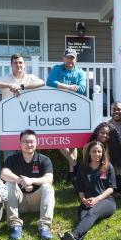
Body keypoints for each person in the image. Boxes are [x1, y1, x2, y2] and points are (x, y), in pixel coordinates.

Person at [59, 141, 116, 240]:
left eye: (99, 151)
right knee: (83, 219)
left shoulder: (108, 167)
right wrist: (83, 199)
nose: (97, 154)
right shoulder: (82, 168)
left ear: (103, 153)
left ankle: (74, 236)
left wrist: (97, 199)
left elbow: (111, 188)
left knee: (91, 213)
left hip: (106, 201)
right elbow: (80, 189)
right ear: (89, 153)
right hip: (87, 202)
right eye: (94, 151)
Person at [1, 129, 55, 240]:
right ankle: (14, 225)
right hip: (18, 203)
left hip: (37, 202)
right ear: (20, 144)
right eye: (25, 141)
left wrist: (31, 180)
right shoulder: (12, 159)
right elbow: (4, 174)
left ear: (36, 143)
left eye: (32, 141)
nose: (29, 144)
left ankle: (44, 226)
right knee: (9, 184)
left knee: (48, 187)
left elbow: (49, 179)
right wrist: (21, 181)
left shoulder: (44, 159)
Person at [46, 48, 86, 180]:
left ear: (76, 59)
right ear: (63, 58)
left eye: (72, 57)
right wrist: (69, 87)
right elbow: (50, 83)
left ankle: (72, 172)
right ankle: (75, 164)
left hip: (74, 108)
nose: (70, 60)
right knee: (57, 139)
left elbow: (81, 89)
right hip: (57, 108)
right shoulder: (57, 68)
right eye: (68, 57)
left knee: (73, 142)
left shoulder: (80, 72)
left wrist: (62, 86)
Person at [88, 122, 121, 193]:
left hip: (105, 176)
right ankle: (107, 192)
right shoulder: (89, 145)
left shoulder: (110, 146)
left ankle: (104, 191)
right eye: (102, 133)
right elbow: (86, 165)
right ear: (97, 133)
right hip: (92, 175)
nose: (104, 135)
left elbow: (109, 169)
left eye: (107, 134)